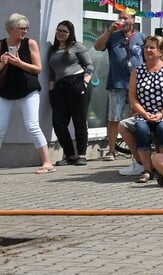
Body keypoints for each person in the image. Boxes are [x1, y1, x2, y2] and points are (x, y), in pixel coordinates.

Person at [117, 35, 163, 184]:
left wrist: (162, 113)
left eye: (152, 47)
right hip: (144, 112)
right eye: (146, 47)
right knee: (141, 128)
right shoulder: (137, 71)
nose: (148, 50)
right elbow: (132, 97)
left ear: (161, 51)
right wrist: (144, 113)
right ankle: (147, 169)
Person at [0, 13, 54, 173]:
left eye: (26, 28)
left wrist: (19, 62)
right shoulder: (1, 45)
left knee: (32, 125)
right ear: (11, 29)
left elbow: (38, 69)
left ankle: (47, 163)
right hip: (5, 90)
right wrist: (2, 63)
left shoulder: (30, 44)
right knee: (0, 127)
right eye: (21, 29)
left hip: (28, 89)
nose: (25, 32)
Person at [92, 11, 144, 162]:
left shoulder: (141, 37)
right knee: (114, 118)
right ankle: (111, 151)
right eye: (120, 18)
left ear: (133, 20)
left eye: (125, 18)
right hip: (117, 83)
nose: (122, 20)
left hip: (138, 85)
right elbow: (97, 46)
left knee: (138, 117)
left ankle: (140, 149)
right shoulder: (113, 36)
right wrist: (109, 31)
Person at [47, 20, 94, 166]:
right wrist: (51, 91)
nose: (61, 33)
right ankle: (70, 155)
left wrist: (84, 83)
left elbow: (89, 66)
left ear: (70, 34)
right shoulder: (53, 50)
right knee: (59, 123)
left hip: (77, 82)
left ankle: (81, 155)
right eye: (59, 30)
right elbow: (51, 73)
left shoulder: (76, 46)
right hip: (59, 87)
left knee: (79, 120)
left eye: (64, 31)